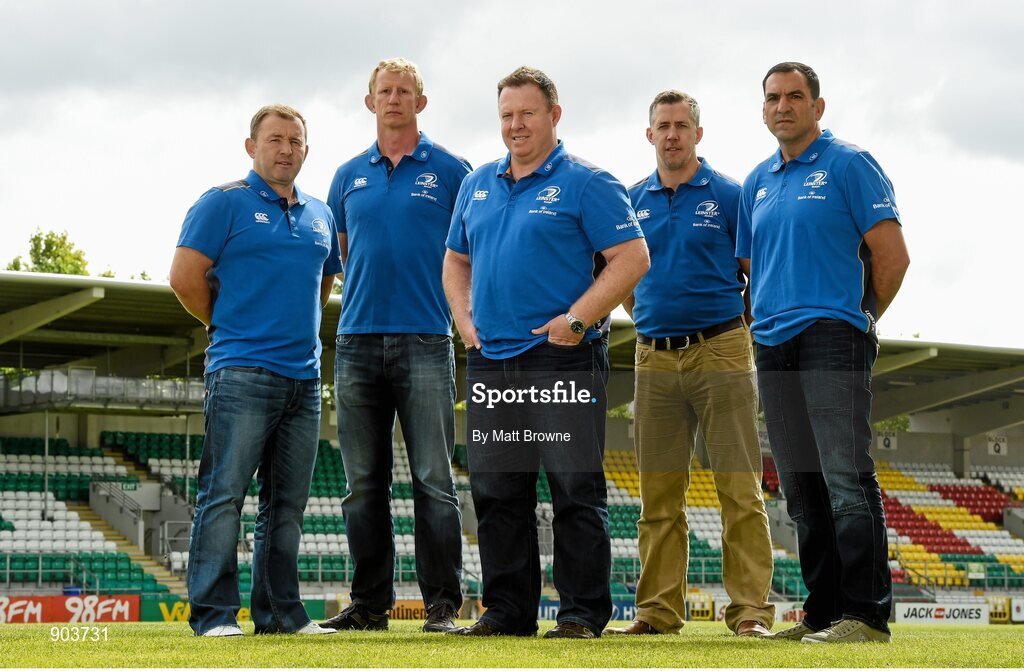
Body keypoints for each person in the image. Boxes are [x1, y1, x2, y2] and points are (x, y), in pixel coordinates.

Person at [443, 66, 650, 639]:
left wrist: (579, 320)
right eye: (507, 115)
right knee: (496, 491)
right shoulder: (476, 183)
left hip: (561, 359)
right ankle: (507, 612)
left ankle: (582, 614)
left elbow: (632, 258)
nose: (515, 125)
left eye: (527, 113)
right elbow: (456, 260)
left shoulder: (588, 182)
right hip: (492, 361)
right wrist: (463, 318)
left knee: (573, 489)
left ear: (554, 116)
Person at [736, 62, 909, 644]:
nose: (782, 106)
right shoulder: (757, 180)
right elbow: (750, 269)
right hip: (773, 341)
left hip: (833, 335)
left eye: (794, 96)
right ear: (763, 110)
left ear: (818, 105)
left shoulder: (850, 164)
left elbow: (892, 257)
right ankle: (821, 613)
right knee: (801, 487)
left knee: (845, 478)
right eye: (772, 98)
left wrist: (859, 319)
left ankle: (866, 616)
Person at [603, 90, 775, 639]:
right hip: (654, 355)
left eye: (681, 125)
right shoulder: (631, 200)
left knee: (739, 488)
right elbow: (625, 281)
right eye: (662, 126)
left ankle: (750, 613)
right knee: (658, 495)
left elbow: (754, 273)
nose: (672, 134)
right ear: (648, 134)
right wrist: (658, 318)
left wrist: (720, 327)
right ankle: (656, 613)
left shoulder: (729, 194)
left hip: (721, 349)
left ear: (698, 134)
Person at [170, 104, 343, 637]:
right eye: (274, 139)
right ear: (252, 147)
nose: (285, 149)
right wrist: (225, 323)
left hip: (305, 380)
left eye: (295, 141)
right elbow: (183, 276)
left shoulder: (321, 214)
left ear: (306, 151)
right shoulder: (222, 204)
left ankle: (280, 615)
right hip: (241, 371)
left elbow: (322, 284)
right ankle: (215, 617)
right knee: (224, 496)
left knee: (286, 506)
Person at [319, 58, 469, 634]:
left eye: (405, 91)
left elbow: (472, 253)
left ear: (420, 103)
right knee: (362, 485)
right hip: (356, 342)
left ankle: (441, 607)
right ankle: (369, 606)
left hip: (428, 338)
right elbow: (339, 255)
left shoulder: (454, 171)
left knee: (434, 477)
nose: (395, 99)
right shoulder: (346, 175)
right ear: (370, 101)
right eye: (385, 91)